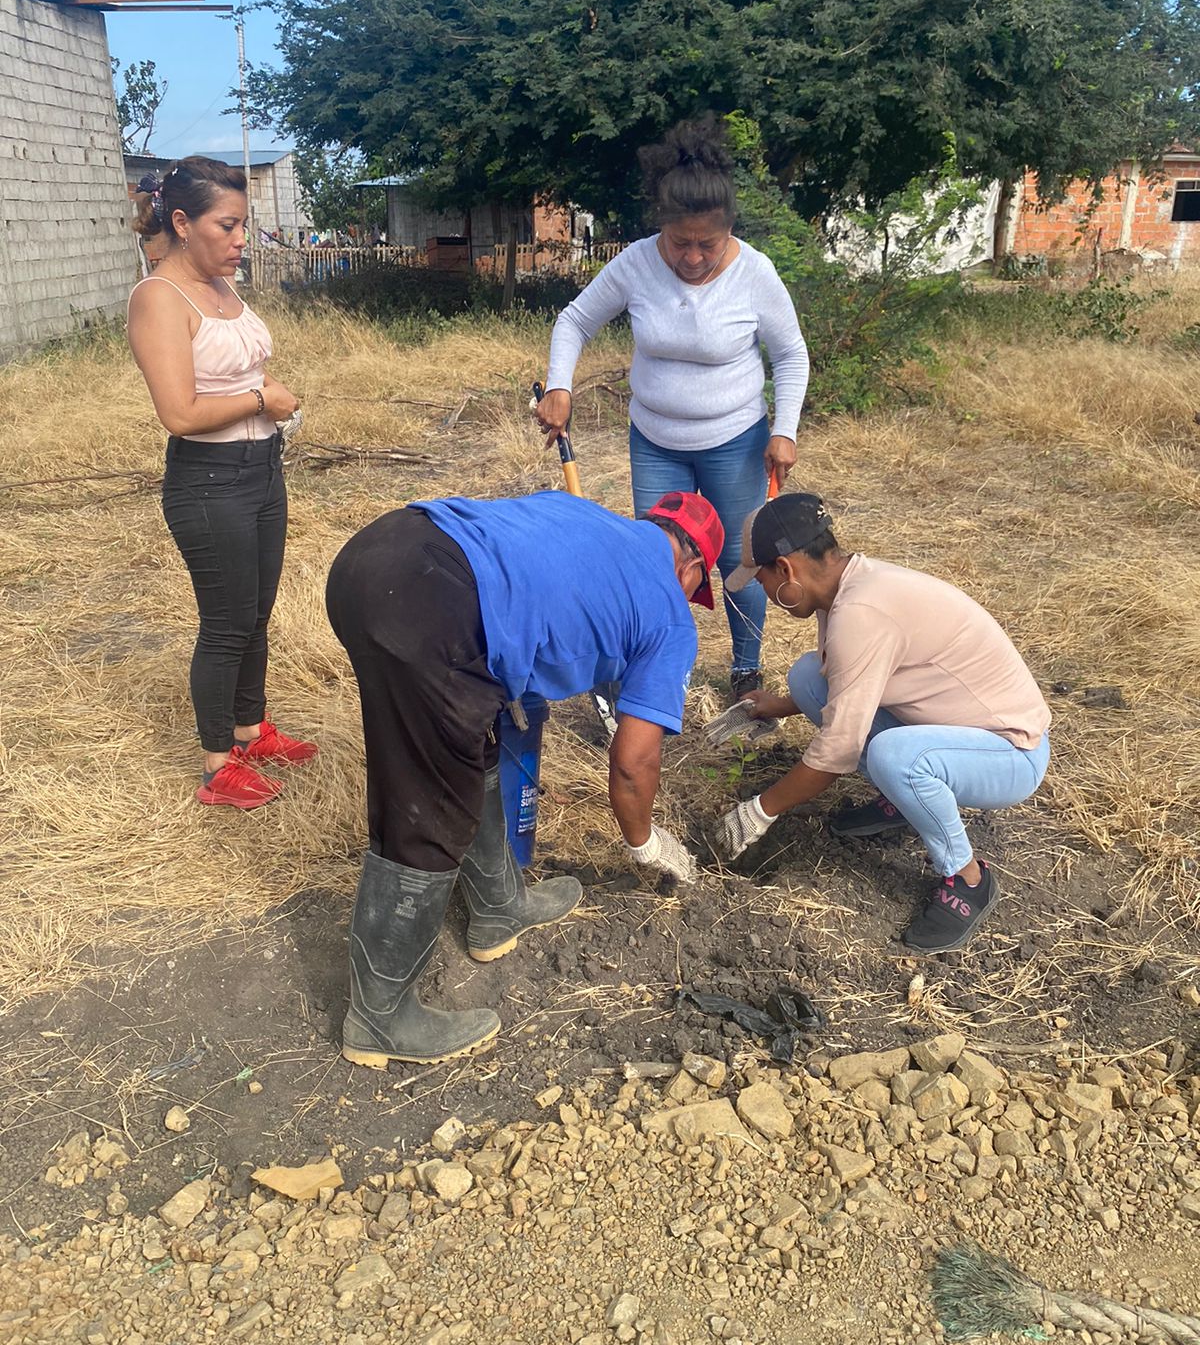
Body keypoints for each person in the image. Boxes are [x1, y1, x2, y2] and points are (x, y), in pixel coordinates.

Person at [325, 489, 724, 1068]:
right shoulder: (669, 613)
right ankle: (378, 1018)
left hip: (377, 552)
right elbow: (634, 762)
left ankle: (498, 907)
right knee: (429, 801)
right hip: (428, 601)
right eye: (694, 590)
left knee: (468, 737)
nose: (688, 600)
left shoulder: (590, 517)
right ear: (691, 568)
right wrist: (645, 842)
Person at [534, 116, 809, 703]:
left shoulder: (755, 273)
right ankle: (656, 669)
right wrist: (560, 385)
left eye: (708, 244)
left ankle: (745, 668)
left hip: (735, 441)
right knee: (658, 558)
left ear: (729, 228)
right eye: (679, 242)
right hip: (655, 440)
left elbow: (790, 354)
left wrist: (784, 429)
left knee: (738, 558)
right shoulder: (636, 263)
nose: (692, 256)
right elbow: (574, 320)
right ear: (661, 227)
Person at [713, 494, 1052, 953]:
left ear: (786, 569)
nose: (765, 592)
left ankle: (968, 879)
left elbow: (838, 748)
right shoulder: (848, 586)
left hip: (1009, 752)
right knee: (809, 678)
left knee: (895, 759)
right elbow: (849, 687)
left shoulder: (861, 612)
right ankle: (903, 801)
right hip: (956, 729)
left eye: (762, 578)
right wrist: (778, 706)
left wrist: (761, 809)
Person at [128, 158, 317, 810]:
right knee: (226, 622)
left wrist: (266, 399)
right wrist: (262, 400)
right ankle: (217, 767)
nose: (241, 240)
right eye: (228, 226)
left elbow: (235, 371)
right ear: (182, 223)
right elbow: (180, 413)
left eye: (243, 225)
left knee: (256, 612)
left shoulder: (221, 287)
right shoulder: (159, 298)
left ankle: (250, 731)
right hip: (209, 483)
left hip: (260, 470)